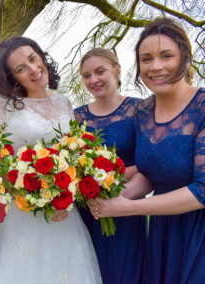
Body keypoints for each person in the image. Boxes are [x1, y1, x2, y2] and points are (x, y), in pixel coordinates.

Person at [0, 36, 102, 284]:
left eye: (33, 59)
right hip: (15, 214)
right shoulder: (2, 104)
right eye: (21, 68)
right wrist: (30, 189)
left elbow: (74, 155)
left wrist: (65, 194)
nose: (32, 69)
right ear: (12, 77)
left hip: (60, 212)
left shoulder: (63, 102)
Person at [89, 18, 205, 284]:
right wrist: (109, 200)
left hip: (199, 229)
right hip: (163, 233)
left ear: (185, 58)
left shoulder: (202, 106)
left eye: (167, 56)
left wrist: (129, 208)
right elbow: (150, 172)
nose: (156, 66)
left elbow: (202, 190)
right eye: (146, 58)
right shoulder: (142, 112)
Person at [74, 48, 146, 284]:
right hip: (87, 209)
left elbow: (149, 161)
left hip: (126, 203)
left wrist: (105, 177)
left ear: (117, 70)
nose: (93, 80)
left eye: (99, 71)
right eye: (86, 75)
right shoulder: (75, 117)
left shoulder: (141, 109)